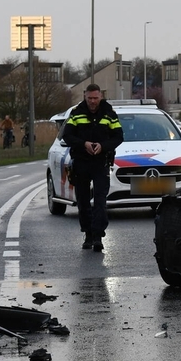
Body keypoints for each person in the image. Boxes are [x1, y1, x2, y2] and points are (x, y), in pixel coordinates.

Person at [61, 84, 124, 251]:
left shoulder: (109, 114)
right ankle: (87, 234)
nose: (92, 101)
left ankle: (98, 236)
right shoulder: (76, 113)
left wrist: (103, 146)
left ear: (100, 97)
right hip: (81, 162)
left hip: (101, 161)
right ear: (85, 96)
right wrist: (84, 144)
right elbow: (67, 135)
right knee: (82, 200)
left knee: (100, 200)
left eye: (95, 98)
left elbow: (118, 136)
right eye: (89, 98)